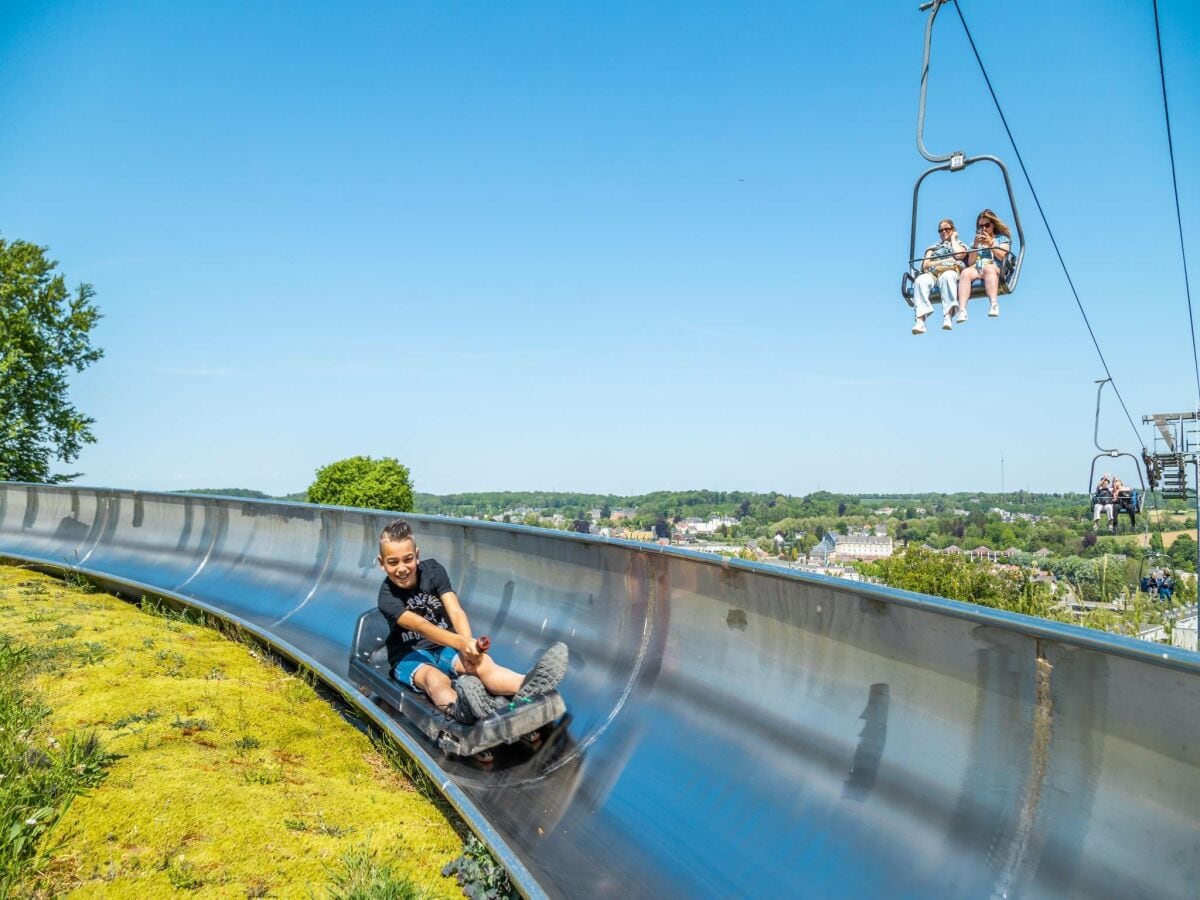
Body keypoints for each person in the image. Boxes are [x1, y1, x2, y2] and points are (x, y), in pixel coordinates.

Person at [375, 518, 568, 724]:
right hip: (409, 655)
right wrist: (461, 644)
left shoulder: (433, 571)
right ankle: (461, 709)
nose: (402, 568)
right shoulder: (387, 598)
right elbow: (422, 626)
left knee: (483, 665)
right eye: (393, 562)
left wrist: (469, 648)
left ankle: (528, 685)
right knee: (435, 679)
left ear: (417, 556)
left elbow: (456, 611)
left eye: (408, 559)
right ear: (381, 563)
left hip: (444, 646)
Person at [911, 218, 969, 334]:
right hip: (933, 273)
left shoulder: (960, 245)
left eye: (947, 229)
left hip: (950, 271)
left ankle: (948, 316)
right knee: (920, 281)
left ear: (953, 230)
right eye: (941, 230)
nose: (944, 232)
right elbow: (925, 265)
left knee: (948, 276)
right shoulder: (933, 247)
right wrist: (946, 260)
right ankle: (920, 321)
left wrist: (953, 239)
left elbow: (959, 255)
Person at [955, 208, 1012, 322]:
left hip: (994, 267)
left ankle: (994, 304)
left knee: (988, 268)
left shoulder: (1002, 239)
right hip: (977, 268)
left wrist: (991, 243)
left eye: (987, 225)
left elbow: (1003, 255)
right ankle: (962, 310)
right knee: (965, 273)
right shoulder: (976, 242)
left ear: (993, 225)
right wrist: (976, 245)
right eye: (980, 226)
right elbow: (971, 262)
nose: (984, 229)